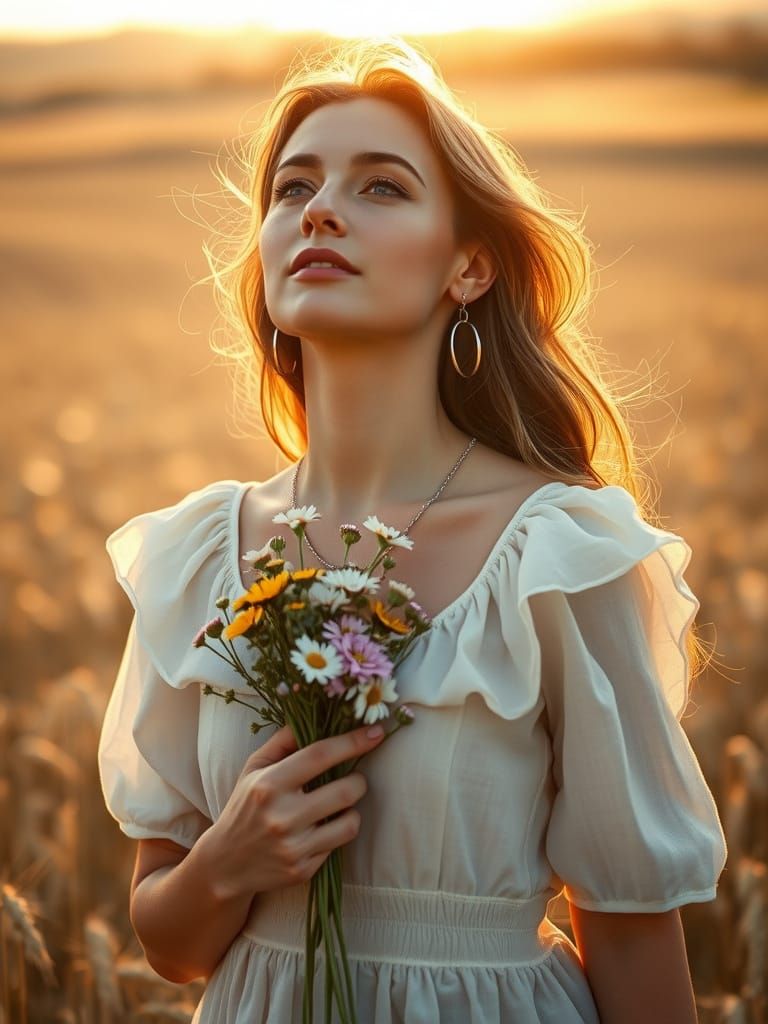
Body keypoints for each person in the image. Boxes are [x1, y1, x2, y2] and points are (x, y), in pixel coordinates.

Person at [97, 35, 727, 1023]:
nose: (319, 209)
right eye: (293, 187)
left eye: (381, 186)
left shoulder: (559, 553)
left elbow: (635, 940)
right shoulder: (198, 553)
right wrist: (229, 860)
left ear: (469, 266)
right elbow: (170, 947)